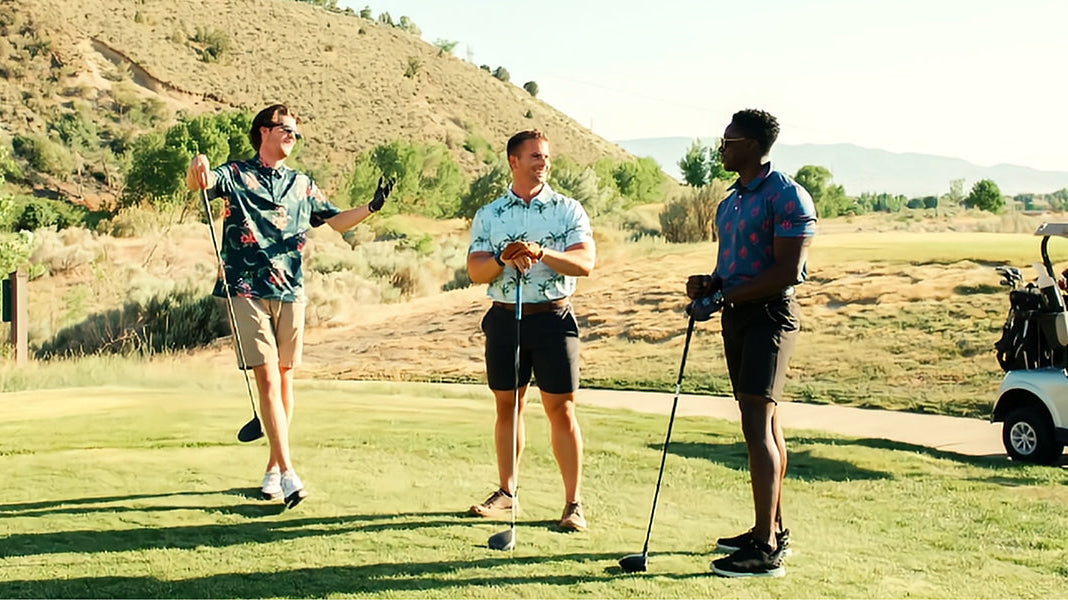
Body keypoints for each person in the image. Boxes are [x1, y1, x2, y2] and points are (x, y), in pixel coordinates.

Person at [185, 103, 394, 509]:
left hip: (291, 290)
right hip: (245, 287)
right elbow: (201, 183)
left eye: (295, 133)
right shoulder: (235, 173)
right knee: (266, 379)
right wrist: (199, 164)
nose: (292, 138)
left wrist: (371, 208)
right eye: (286, 131)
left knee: (284, 381)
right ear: (263, 131)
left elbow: (334, 221)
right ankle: (288, 472)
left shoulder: (302, 184)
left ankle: (271, 467)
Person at [686, 109, 817, 577]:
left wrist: (725, 294)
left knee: (757, 426)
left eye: (728, 140)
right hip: (738, 317)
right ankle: (772, 527)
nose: (721, 147)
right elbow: (731, 267)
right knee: (762, 420)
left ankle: (764, 548)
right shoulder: (731, 202)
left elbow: (786, 272)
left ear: (752, 145)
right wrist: (708, 284)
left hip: (771, 318)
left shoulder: (787, 197)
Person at [465, 129, 596, 532]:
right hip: (505, 318)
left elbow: (585, 262)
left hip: (554, 320)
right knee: (508, 406)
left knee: (563, 409)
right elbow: (475, 271)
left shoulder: (567, 209)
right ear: (514, 161)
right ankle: (506, 493)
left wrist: (542, 253)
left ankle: (573, 504)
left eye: (546, 157)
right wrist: (504, 260)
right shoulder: (490, 214)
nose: (543, 163)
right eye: (535, 156)